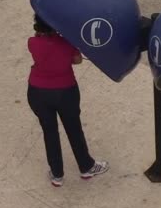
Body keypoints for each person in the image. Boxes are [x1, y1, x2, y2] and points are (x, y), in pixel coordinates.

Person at [27, 14, 109, 187]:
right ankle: (86, 166)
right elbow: (77, 60)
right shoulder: (66, 43)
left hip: (38, 92)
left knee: (50, 132)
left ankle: (57, 174)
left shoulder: (32, 43)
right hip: (65, 91)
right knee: (74, 129)